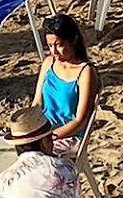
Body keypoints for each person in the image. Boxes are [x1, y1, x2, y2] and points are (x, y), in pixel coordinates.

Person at [31, 14, 100, 147]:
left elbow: (80, 120)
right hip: (43, 130)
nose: (54, 51)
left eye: (59, 45)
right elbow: (37, 103)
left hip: (69, 135)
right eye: (50, 46)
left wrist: (50, 137)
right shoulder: (49, 63)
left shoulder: (86, 72)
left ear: (73, 40)